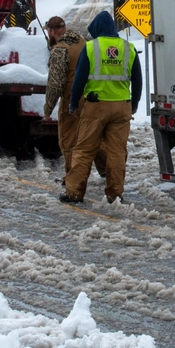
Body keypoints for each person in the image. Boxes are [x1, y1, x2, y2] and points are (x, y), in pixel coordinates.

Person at [60, 11, 142, 204]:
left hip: (96, 107)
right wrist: (134, 104)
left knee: (85, 149)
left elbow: (79, 80)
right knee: (116, 153)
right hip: (122, 107)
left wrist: (73, 104)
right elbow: (138, 80)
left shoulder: (91, 48)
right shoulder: (128, 48)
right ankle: (114, 195)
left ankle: (74, 193)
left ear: (97, 29)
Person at [42, 16, 106, 182]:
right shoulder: (84, 43)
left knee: (69, 141)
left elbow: (55, 84)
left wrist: (48, 110)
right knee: (94, 137)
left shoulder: (60, 50)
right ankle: (109, 171)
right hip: (93, 98)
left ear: (52, 31)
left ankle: (72, 179)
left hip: (72, 101)